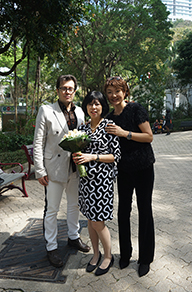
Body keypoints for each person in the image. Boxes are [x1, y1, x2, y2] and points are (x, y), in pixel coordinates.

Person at [33, 74, 90, 268]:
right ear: (57, 90)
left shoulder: (81, 112)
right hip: (53, 169)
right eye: (64, 88)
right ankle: (51, 247)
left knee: (74, 205)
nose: (67, 91)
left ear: (75, 91)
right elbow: (38, 142)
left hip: (75, 167)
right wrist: (40, 171)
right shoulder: (47, 111)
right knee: (52, 210)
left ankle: (73, 237)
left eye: (71, 88)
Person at [104, 76, 155, 277]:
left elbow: (149, 136)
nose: (113, 95)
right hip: (123, 170)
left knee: (145, 210)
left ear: (125, 91)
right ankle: (125, 254)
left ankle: (145, 259)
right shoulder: (108, 118)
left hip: (143, 167)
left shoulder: (135, 109)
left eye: (117, 91)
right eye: (109, 92)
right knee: (123, 211)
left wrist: (125, 133)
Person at [72, 91, 121, 276]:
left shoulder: (109, 126)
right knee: (90, 221)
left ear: (103, 106)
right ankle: (96, 254)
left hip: (102, 182)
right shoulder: (82, 129)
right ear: (86, 107)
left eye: (97, 104)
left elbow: (116, 156)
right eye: (90, 104)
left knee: (98, 221)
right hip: (86, 182)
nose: (94, 107)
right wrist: (77, 156)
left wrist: (93, 156)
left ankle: (108, 256)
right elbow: (78, 152)